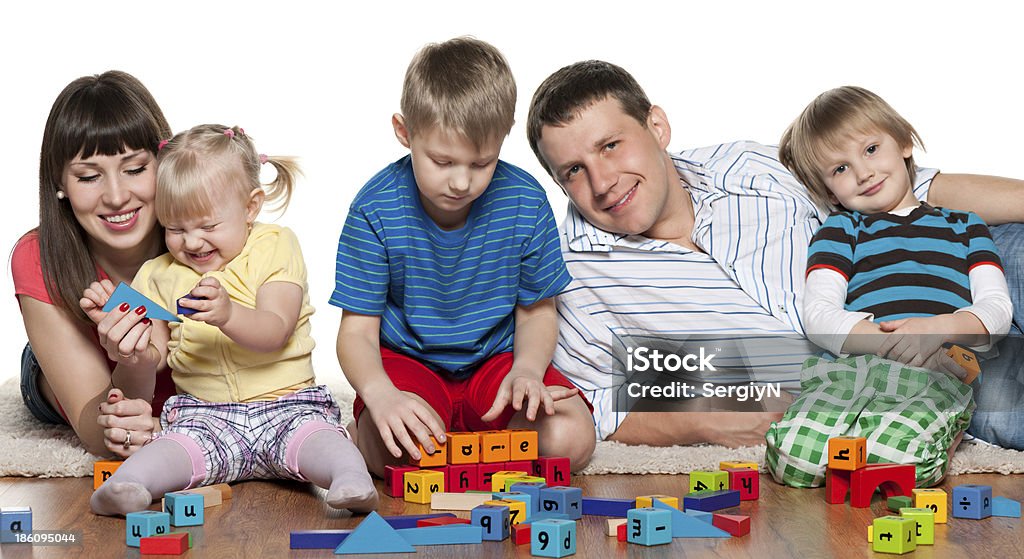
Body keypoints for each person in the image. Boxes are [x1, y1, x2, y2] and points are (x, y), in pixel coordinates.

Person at [526, 60, 1024, 449]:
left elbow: (909, 190)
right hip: (879, 373)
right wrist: (700, 419)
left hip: (931, 274)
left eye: (611, 145)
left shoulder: (748, 166)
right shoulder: (572, 280)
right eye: (573, 170)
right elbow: (606, 411)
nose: (602, 181)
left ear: (656, 126)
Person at [332, 37, 596, 478]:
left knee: (571, 438)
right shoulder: (374, 208)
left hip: (498, 364)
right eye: (442, 160)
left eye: (481, 163)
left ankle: (476, 446)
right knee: (388, 451)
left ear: (503, 136)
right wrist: (381, 393)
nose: (460, 182)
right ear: (404, 132)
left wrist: (528, 371)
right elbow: (357, 330)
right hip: (408, 364)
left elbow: (537, 312)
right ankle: (469, 447)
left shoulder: (525, 202)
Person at [88, 124, 377, 516]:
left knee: (322, 441)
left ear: (250, 207)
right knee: (171, 450)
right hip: (204, 416)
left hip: (286, 405)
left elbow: (276, 328)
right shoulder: (157, 274)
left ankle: (350, 479)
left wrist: (228, 314)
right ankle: (130, 485)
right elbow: (155, 357)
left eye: (208, 226)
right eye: (175, 228)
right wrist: (128, 338)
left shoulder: (274, 245)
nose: (191, 242)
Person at [764, 86, 1012, 486]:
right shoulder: (841, 229)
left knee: (899, 462)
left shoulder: (966, 225)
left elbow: (996, 308)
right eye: (840, 169)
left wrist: (938, 330)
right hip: (854, 366)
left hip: (935, 368)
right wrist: (887, 343)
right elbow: (820, 314)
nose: (863, 172)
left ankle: (948, 428)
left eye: (871, 149)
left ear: (904, 143)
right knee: (794, 459)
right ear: (830, 192)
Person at [12, 71, 176, 457]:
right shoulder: (38, 256)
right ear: (60, 183)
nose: (117, 197)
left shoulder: (203, 236)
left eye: (135, 169)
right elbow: (98, 431)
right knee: (77, 397)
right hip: (69, 351)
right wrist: (121, 425)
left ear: (163, 162)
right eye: (89, 177)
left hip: (175, 376)